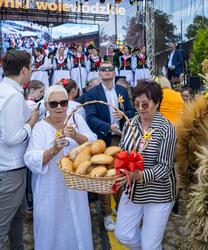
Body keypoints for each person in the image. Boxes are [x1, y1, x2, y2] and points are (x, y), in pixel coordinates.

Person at [24, 85, 96, 250]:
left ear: (68, 103)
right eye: (54, 103)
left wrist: (76, 135)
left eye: (63, 103)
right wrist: (53, 149)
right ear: (47, 105)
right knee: (52, 229)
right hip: (50, 189)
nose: (59, 107)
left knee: (77, 225)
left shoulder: (76, 120)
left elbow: (93, 143)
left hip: (76, 189)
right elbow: (31, 158)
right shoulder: (40, 128)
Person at [114, 80, 176, 249]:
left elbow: (165, 167)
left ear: (157, 103)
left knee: (151, 246)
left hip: (158, 193)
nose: (141, 109)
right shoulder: (131, 123)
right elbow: (122, 150)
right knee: (123, 234)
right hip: (133, 190)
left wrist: (140, 175)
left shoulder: (166, 128)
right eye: (137, 104)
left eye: (145, 104)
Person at [85, 61, 135, 231]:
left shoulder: (121, 91)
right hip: (103, 141)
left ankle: (119, 208)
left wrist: (123, 115)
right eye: (103, 69)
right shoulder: (92, 93)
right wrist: (107, 126)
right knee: (104, 179)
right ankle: (106, 214)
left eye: (110, 69)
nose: (106, 71)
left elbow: (131, 111)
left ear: (114, 73)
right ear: (99, 73)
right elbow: (90, 118)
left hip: (121, 140)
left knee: (120, 176)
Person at [0, 50, 39, 250]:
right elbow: (11, 138)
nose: (32, 71)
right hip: (10, 169)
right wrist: (31, 122)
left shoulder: (5, 90)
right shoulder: (12, 96)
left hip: (9, 168)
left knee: (17, 218)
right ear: (24, 69)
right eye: (31, 67)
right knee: (3, 224)